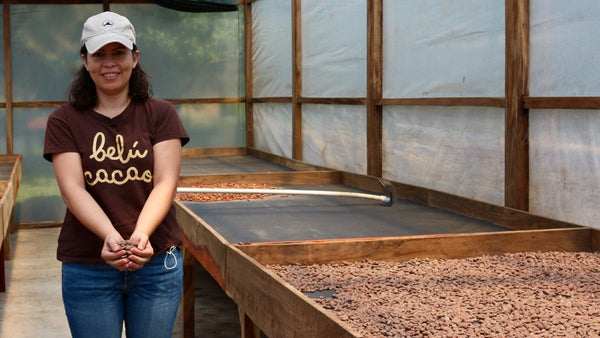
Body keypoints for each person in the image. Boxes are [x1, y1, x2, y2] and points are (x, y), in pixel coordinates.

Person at [43, 11, 189, 338]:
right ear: (85, 59)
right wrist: (110, 236)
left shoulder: (160, 114)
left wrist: (141, 236)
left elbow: (166, 182)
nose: (110, 63)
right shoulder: (64, 120)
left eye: (119, 53)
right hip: (87, 266)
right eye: (99, 54)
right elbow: (72, 189)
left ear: (135, 58)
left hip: (155, 266)